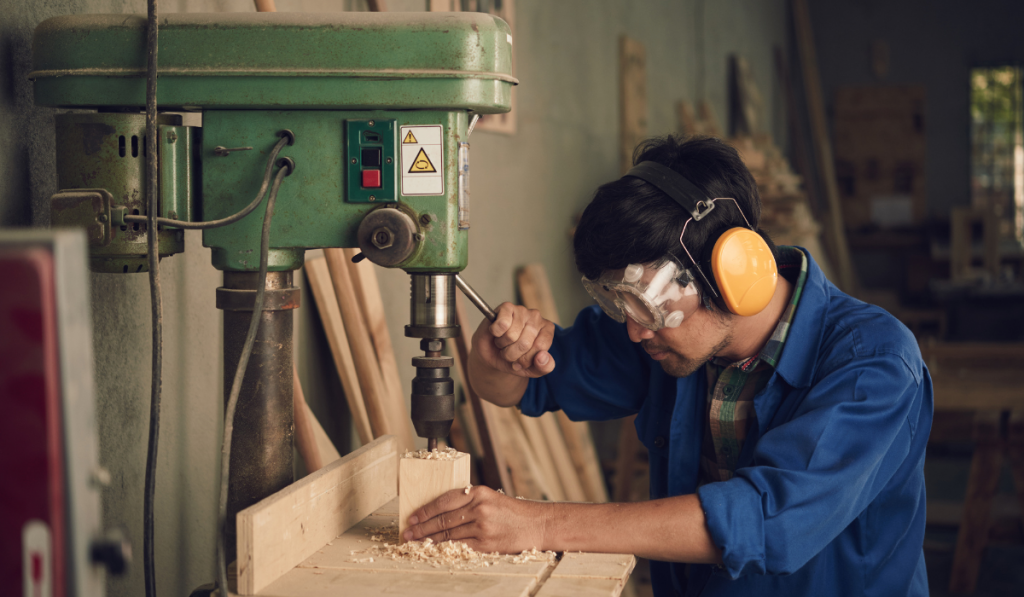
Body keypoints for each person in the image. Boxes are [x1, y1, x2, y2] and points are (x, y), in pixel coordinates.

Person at [402, 135, 932, 596]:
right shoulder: (663, 337)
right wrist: (494, 356)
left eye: (650, 310)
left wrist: (540, 522)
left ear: (734, 272)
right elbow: (521, 387)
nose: (635, 331)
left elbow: (766, 520)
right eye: (621, 306)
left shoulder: (873, 367)